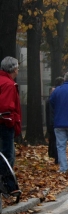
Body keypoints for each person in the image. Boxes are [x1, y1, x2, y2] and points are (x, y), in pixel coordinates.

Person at [0, 56, 22, 196]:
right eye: (17, 67)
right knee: (7, 156)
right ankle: (9, 186)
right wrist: (12, 122)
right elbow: (6, 108)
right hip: (4, 125)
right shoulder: (8, 84)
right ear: (13, 69)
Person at [45, 77, 64, 164]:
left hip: (52, 123)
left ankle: (56, 157)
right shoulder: (56, 98)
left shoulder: (50, 99)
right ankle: (57, 158)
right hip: (55, 123)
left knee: (55, 141)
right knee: (57, 142)